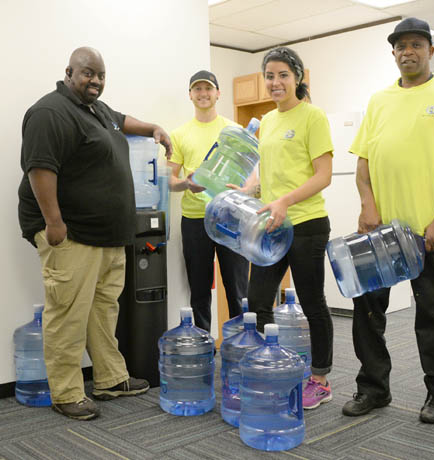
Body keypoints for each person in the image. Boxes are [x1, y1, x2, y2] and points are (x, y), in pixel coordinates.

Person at [342, 18, 434, 424]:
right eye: (401, 46)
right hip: (380, 232)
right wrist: (367, 205)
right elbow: (363, 162)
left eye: (416, 45)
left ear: (430, 51)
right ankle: (373, 388)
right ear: (393, 53)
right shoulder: (379, 100)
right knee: (367, 313)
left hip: (427, 234)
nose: (408, 51)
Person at [18, 47, 172, 421]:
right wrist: (54, 223)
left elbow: (122, 121)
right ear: (69, 72)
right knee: (68, 313)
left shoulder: (96, 110)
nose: (96, 81)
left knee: (104, 311)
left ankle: (110, 378)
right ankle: (67, 393)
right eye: (88, 74)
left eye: (101, 76)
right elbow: (40, 169)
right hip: (71, 233)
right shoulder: (50, 112)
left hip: (108, 236)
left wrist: (152, 127)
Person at [237, 47, 334, 410]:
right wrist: (249, 189)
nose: (275, 82)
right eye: (270, 76)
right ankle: (273, 367)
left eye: (282, 75)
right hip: (272, 225)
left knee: (312, 302)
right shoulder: (268, 120)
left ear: (297, 77)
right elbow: (268, 170)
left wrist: (286, 201)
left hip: (307, 223)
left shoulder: (313, 117)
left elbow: (323, 175)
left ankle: (320, 379)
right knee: (258, 300)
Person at [168, 71, 249, 333]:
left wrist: (245, 190)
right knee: (199, 290)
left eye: (208, 88)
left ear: (218, 93)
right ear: (190, 95)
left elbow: (250, 175)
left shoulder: (234, 130)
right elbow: (169, 180)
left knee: (238, 289)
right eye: (197, 89)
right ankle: (204, 345)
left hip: (230, 218)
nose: (203, 93)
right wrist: (186, 184)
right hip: (195, 220)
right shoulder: (179, 134)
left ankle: (241, 344)